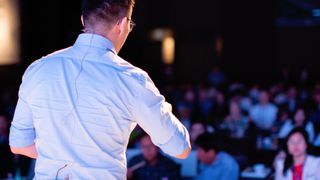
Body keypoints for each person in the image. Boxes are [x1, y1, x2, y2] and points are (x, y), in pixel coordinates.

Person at [9, 0, 191, 179]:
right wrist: (164, 111)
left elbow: (19, 144)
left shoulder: (38, 69)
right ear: (121, 24)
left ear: (83, 20)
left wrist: (60, 153)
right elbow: (180, 148)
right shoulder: (132, 80)